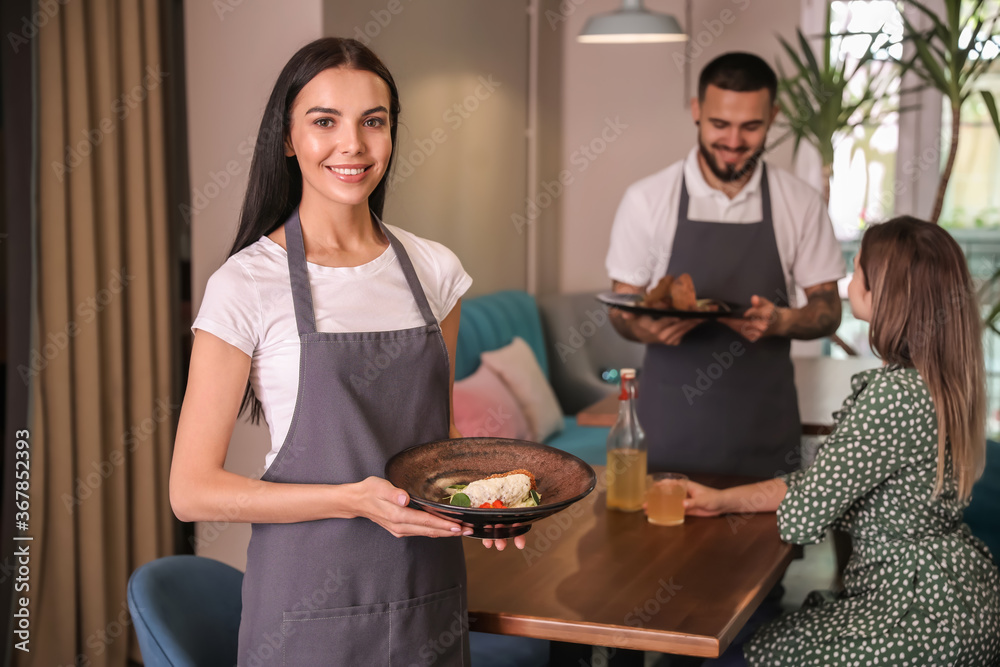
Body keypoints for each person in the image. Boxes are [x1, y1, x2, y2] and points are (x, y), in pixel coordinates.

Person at [169, 38, 519, 667]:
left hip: (426, 593)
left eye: (373, 121)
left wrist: (486, 497)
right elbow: (191, 490)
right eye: (324, 121)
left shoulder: (434, 270)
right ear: (287, 138)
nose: (352, 144)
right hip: (306, 608)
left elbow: (438, 438)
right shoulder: (246, 284)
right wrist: (351, 499)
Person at [684, 217, 1000, 666]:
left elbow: (802, 517)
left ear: (884, 295)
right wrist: (722, 500)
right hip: (960, 601)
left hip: (913, 615)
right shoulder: (938, 380)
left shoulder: (893, 395)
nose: (850, 281)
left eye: (859, 273)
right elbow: (821, 483)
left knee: (741, 652)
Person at [606, 52, 845, 479]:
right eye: (720, 124)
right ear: (697, 111)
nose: (734, 141)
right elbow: (621, 305)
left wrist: (783, 321)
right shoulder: (646, 200)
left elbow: (828, 309)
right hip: (668, 437)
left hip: (766, 442)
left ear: (773, 116)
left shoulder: (801, 204)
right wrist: (646, 327)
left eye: (751, 126)